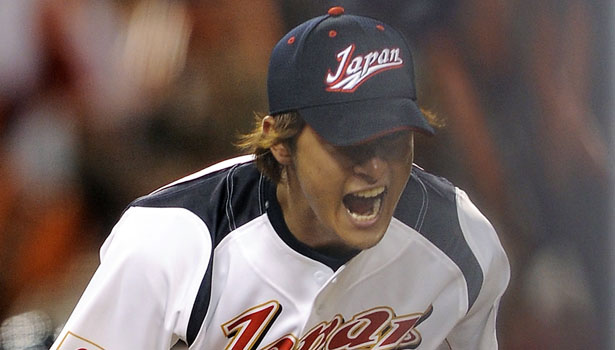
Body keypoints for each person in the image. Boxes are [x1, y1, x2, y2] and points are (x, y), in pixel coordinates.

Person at [51, 7, 509, 350]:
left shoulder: (460, 242)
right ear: (279, 142)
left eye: (392, 141)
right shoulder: (174, 242)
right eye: (347, 143)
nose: (374, 168)